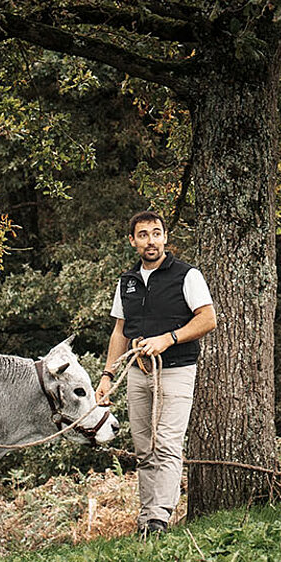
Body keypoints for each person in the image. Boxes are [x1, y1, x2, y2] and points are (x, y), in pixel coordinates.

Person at [97, 210, 218, 537]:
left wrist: (169, 338)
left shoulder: (187, 275)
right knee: (144, 448)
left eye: (156, 233)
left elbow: (208, 319)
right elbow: (120, 332)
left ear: (165, 237)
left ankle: (159, 519)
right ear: (133, 241)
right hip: (137, 373)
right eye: (143, 234)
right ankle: (147, 518)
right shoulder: (127, 282)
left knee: (166, 443)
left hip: (176, 371)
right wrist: (107, 376)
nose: (150, 240)